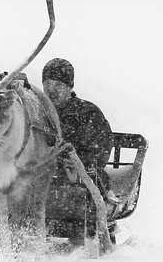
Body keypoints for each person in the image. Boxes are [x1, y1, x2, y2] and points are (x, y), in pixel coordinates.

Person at [41, 57, 114, 199]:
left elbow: (101, 148)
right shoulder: (37, 111)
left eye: (58, 85)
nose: (51, 90)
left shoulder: (88, 113)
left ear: (69, 87)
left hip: (80, 179)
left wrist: (81, 161)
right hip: (43, 174)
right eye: (47, 84)